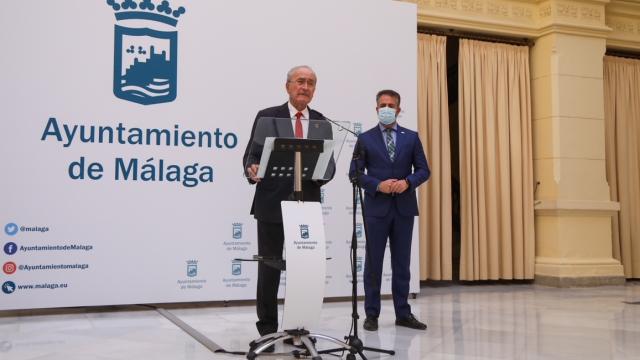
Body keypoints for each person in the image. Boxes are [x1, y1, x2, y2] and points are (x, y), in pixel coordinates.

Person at [243, 65, 335, 343]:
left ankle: (299, 327)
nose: (304, 87)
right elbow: (251, 156)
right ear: (288, 86)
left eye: (310, 83)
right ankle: (268, 330)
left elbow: (328, 164)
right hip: (271, 202)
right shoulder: (267, 117)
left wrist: (321, 173)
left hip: (305, 204)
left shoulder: (321, 122)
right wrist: (252, 168)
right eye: (300, 81)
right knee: (269, 268)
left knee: (304, 269)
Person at [349, 89, 430, 331]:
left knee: (402, 264)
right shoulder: (365, 138)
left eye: (391, 105)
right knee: (373, 264)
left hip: (404, 209)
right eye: (382, 105)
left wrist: (408, 182)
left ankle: (403, 313)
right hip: (376, 210)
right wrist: (377, 185)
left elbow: (424, 170)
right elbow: (354, 173)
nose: (387, 108)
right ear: (376, 109)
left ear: (398, 108)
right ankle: (371, 314)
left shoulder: (412, 137)